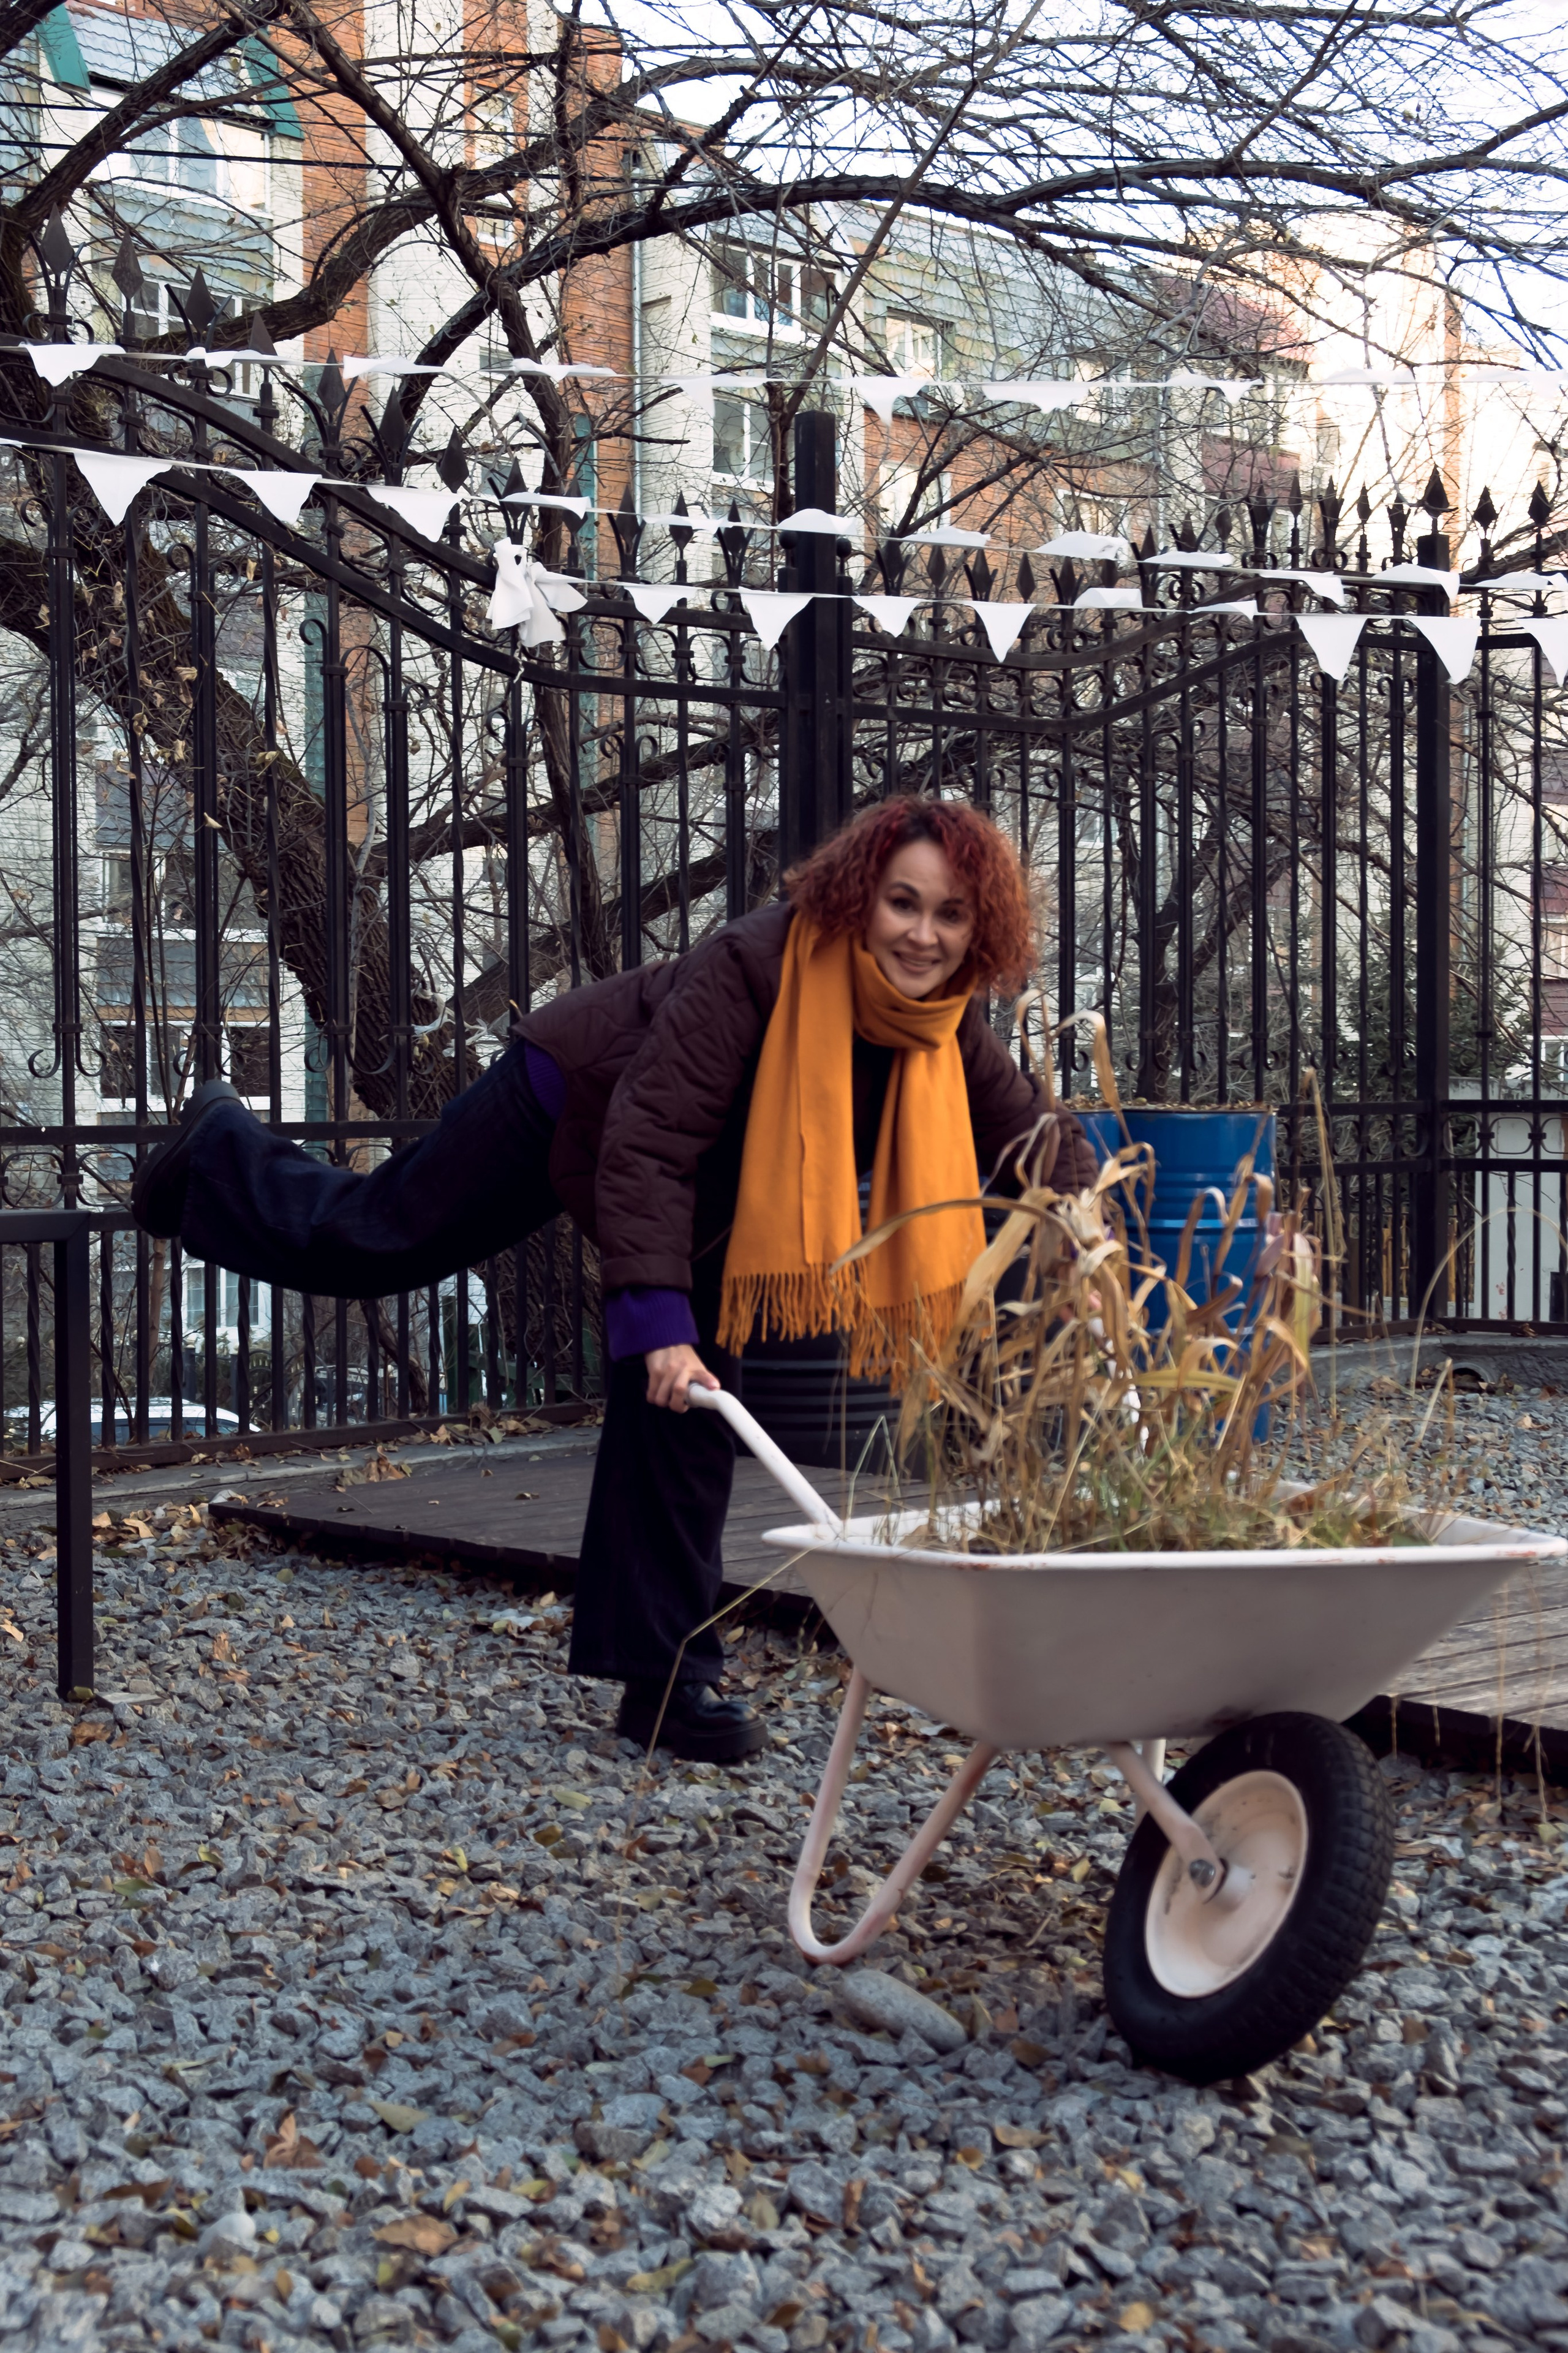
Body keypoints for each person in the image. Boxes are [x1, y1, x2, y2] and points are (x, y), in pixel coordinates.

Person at [133, 797, 1098, 1762]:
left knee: (691, 1418)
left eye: (950, 913)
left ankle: (666, 1682)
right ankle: (219, 1148)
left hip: (706, 1206)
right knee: (378, 1240)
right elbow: (650, 1138)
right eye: (903, 903)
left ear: (979, 926)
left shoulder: (941, 1022)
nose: (924, 934)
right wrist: (657, 1319)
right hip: (576, 1100)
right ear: (858, 897)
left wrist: (1092, 1248)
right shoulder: (756, 967)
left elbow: (1032, 1138)